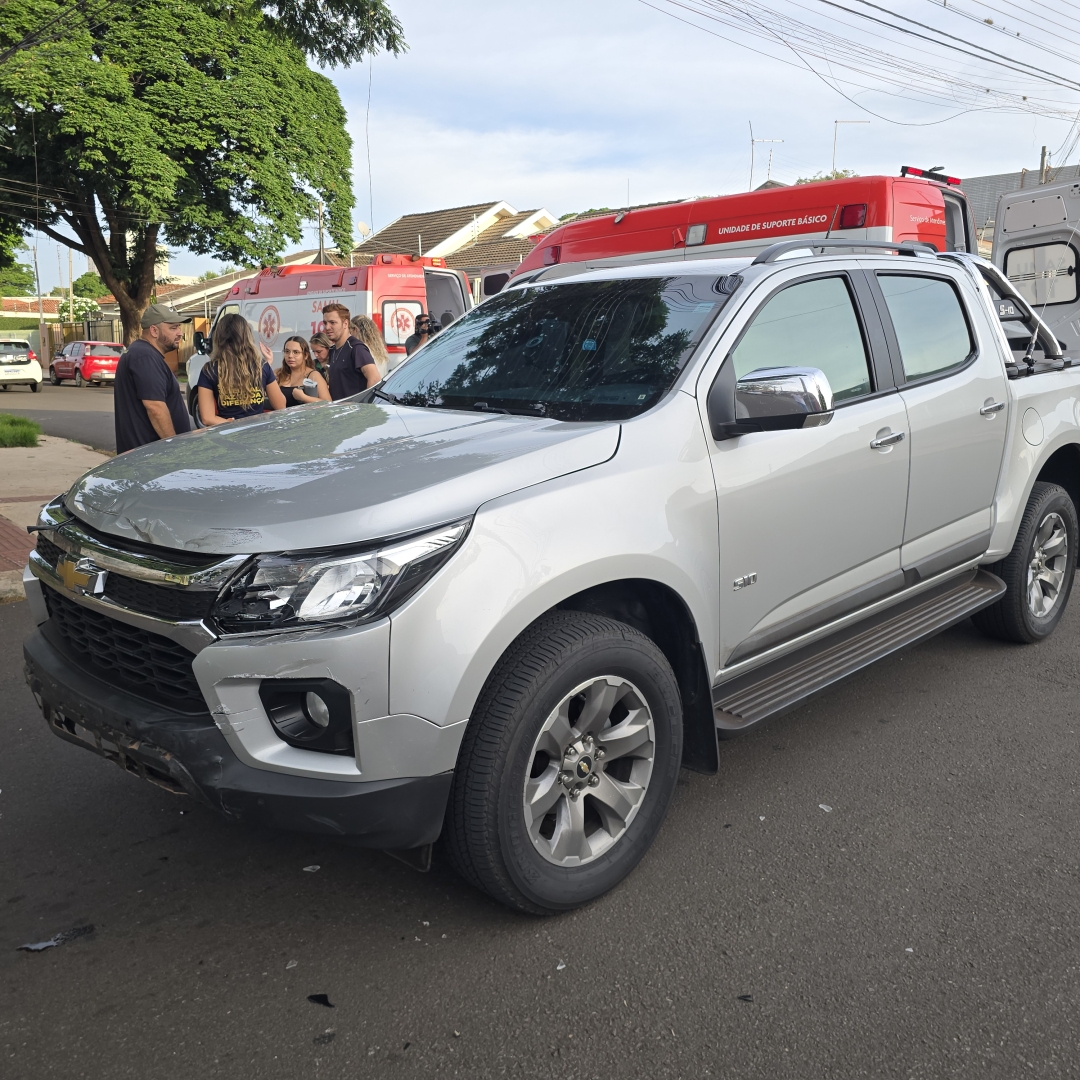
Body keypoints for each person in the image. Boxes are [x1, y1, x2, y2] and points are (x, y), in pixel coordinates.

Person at [114, 303, 193, 454]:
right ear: (154, 331)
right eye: (173, 328)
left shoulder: (143, 353)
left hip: (148, 456)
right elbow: (155, 407)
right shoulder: (145, 356)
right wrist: (173, 448)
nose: (180, 333)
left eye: (179, 327)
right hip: (150, 458)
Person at [197, 313, 286, 425]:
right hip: (258, 430)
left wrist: (231, 424)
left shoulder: (209, 370)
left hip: (228, 432)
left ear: (218, 337)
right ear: (247, 336)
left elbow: (207, 418)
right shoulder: (262, 366)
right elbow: (280, 405)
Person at [321, 302, 380, 399]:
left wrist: (364, 404)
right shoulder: (332, 350)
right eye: (325, 323)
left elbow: (374, 379)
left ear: (345, 323)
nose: (327, 327)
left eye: (332, 322)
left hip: (354, 407)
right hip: (337, 407)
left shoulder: (356, 348)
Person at [276, 335, 330, 406]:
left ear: (305, 355)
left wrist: (303, 398)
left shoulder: (313, 375)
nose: (290, 356)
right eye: (287, 351)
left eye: (296, 352)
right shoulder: (277, 373)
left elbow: (327, 403)